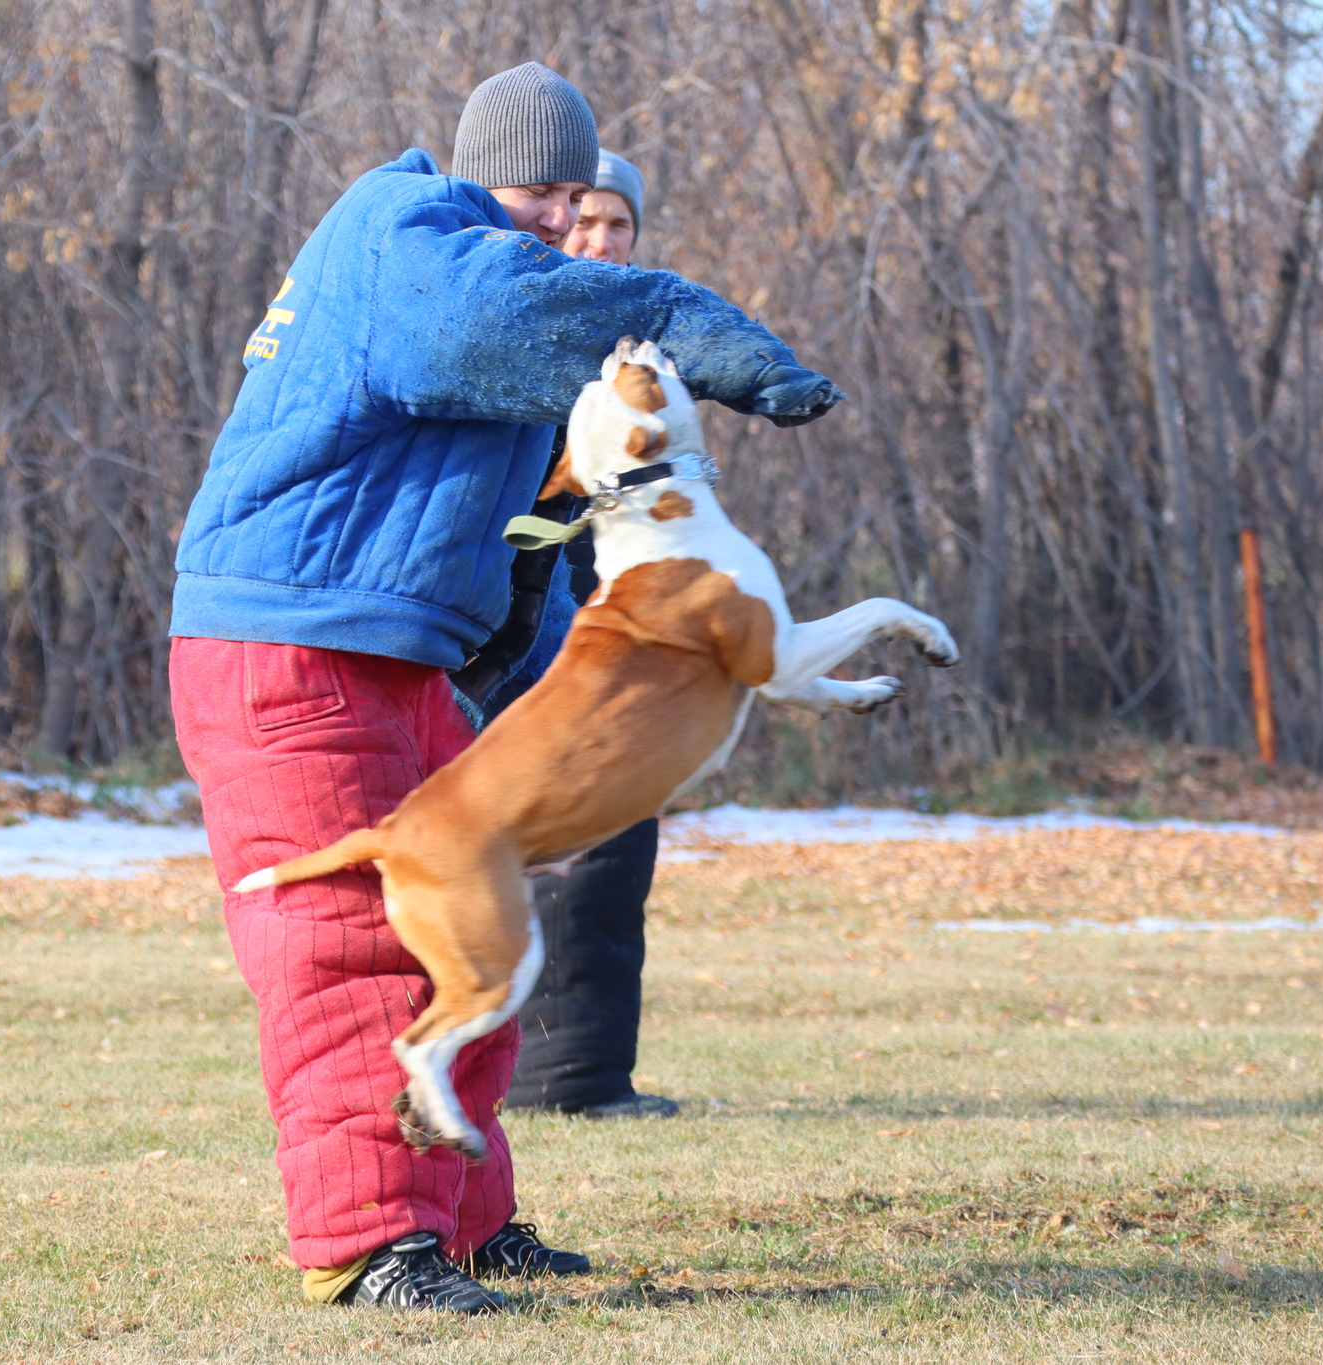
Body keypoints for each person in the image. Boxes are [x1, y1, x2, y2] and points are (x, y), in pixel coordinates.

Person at [169, 64, 840, 1315]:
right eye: (533, 192)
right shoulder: (405, 234)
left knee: (464, 936)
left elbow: (519, 560)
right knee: (352, 946)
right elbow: (483, 327)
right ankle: (369, 1246)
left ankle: (469, 1226)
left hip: (393, 652)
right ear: (477, 173)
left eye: (570, 195)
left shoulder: (489, 285)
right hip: (285, 651)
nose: (552, 220)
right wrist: (705, 337)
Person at [485, 150, 678, 1122]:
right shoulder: (516, 322)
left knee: (612, 833)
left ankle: (580, 1076)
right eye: (579, 215)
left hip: (616, 600)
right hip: (527, 607)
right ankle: (555, 1081)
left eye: (615, 224)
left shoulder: (641, 352)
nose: (594, 237)